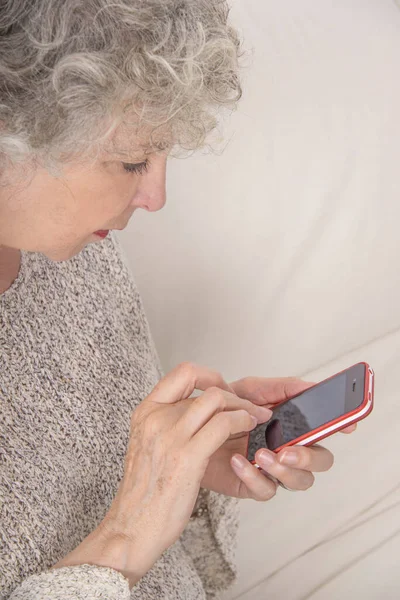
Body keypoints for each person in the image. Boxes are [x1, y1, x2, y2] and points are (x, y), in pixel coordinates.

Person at [0, 1, 356, 599]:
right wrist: (127, 535)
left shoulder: (76, 252)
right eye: (132, 161)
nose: (156, 196)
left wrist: (194, 464)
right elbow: (120, 538)